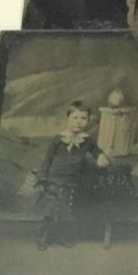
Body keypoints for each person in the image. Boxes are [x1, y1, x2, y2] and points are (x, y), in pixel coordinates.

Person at [33, 100, 110, 249]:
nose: (79, 122)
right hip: (54, 179)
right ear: (67, 119)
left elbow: (96, 150)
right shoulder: (59, 139)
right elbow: (47, 159)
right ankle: (43, 236)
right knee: (50, 209)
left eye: (83, 118)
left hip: (72, 181)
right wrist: (42, 177)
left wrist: (101, 156)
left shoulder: (86, 140)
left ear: (88, 121)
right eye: (75, 117)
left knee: (66, 210)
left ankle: (62, 236)